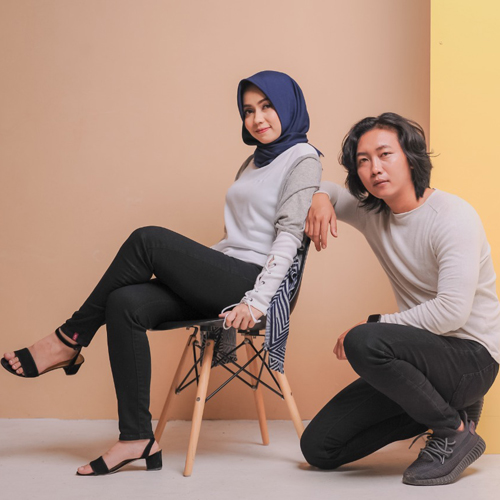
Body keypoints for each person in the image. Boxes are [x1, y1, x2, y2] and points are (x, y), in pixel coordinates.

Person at [2, 70, 322, 476]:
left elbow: (289, 238)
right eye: (248, 110)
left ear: (289, 106)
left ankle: (68, 339)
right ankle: (137, 438)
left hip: (254, 284)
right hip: (226, 273)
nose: (257, 118)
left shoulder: (302, 157)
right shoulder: (254, 161)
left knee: (147, 239)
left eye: (267, 106)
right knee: (124, 302)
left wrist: (257, 303)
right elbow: (238, 236)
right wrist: (189, 269)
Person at [300, 112, 500, 486]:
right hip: (418, 363)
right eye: (363, 160)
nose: (374, 168)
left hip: (472, 359)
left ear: (410, 156)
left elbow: (452, 313)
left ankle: (453, 432)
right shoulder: (373, 212)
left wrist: (374, 324)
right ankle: (449, 411)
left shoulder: (453, 216)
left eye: (385, 154)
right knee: (319, 448)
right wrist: (321, 197)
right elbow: (329, 188)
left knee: (364, 340)